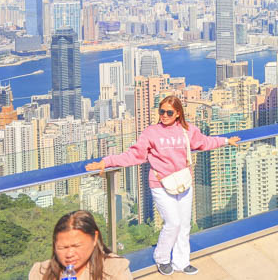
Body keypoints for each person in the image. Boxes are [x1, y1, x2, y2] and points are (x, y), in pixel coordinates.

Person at [85, 95, 240, 276]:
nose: (164, 115)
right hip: (160, 183)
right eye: (161, 111)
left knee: (184, 225)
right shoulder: (151, 132)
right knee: (172, 222)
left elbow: (204, 142)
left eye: (169, 112)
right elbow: (134, 155)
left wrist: (225, 141)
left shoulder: (187, 130)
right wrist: (106, 162)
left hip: (183, 182)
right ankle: (162, 258)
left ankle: (182, 262)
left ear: (177, 113)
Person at [29, 210, 131, 280]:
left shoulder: (113, 269)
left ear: (94, 238)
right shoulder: (41, 272)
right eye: (62, 247)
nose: (69, 254)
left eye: (76, 246)